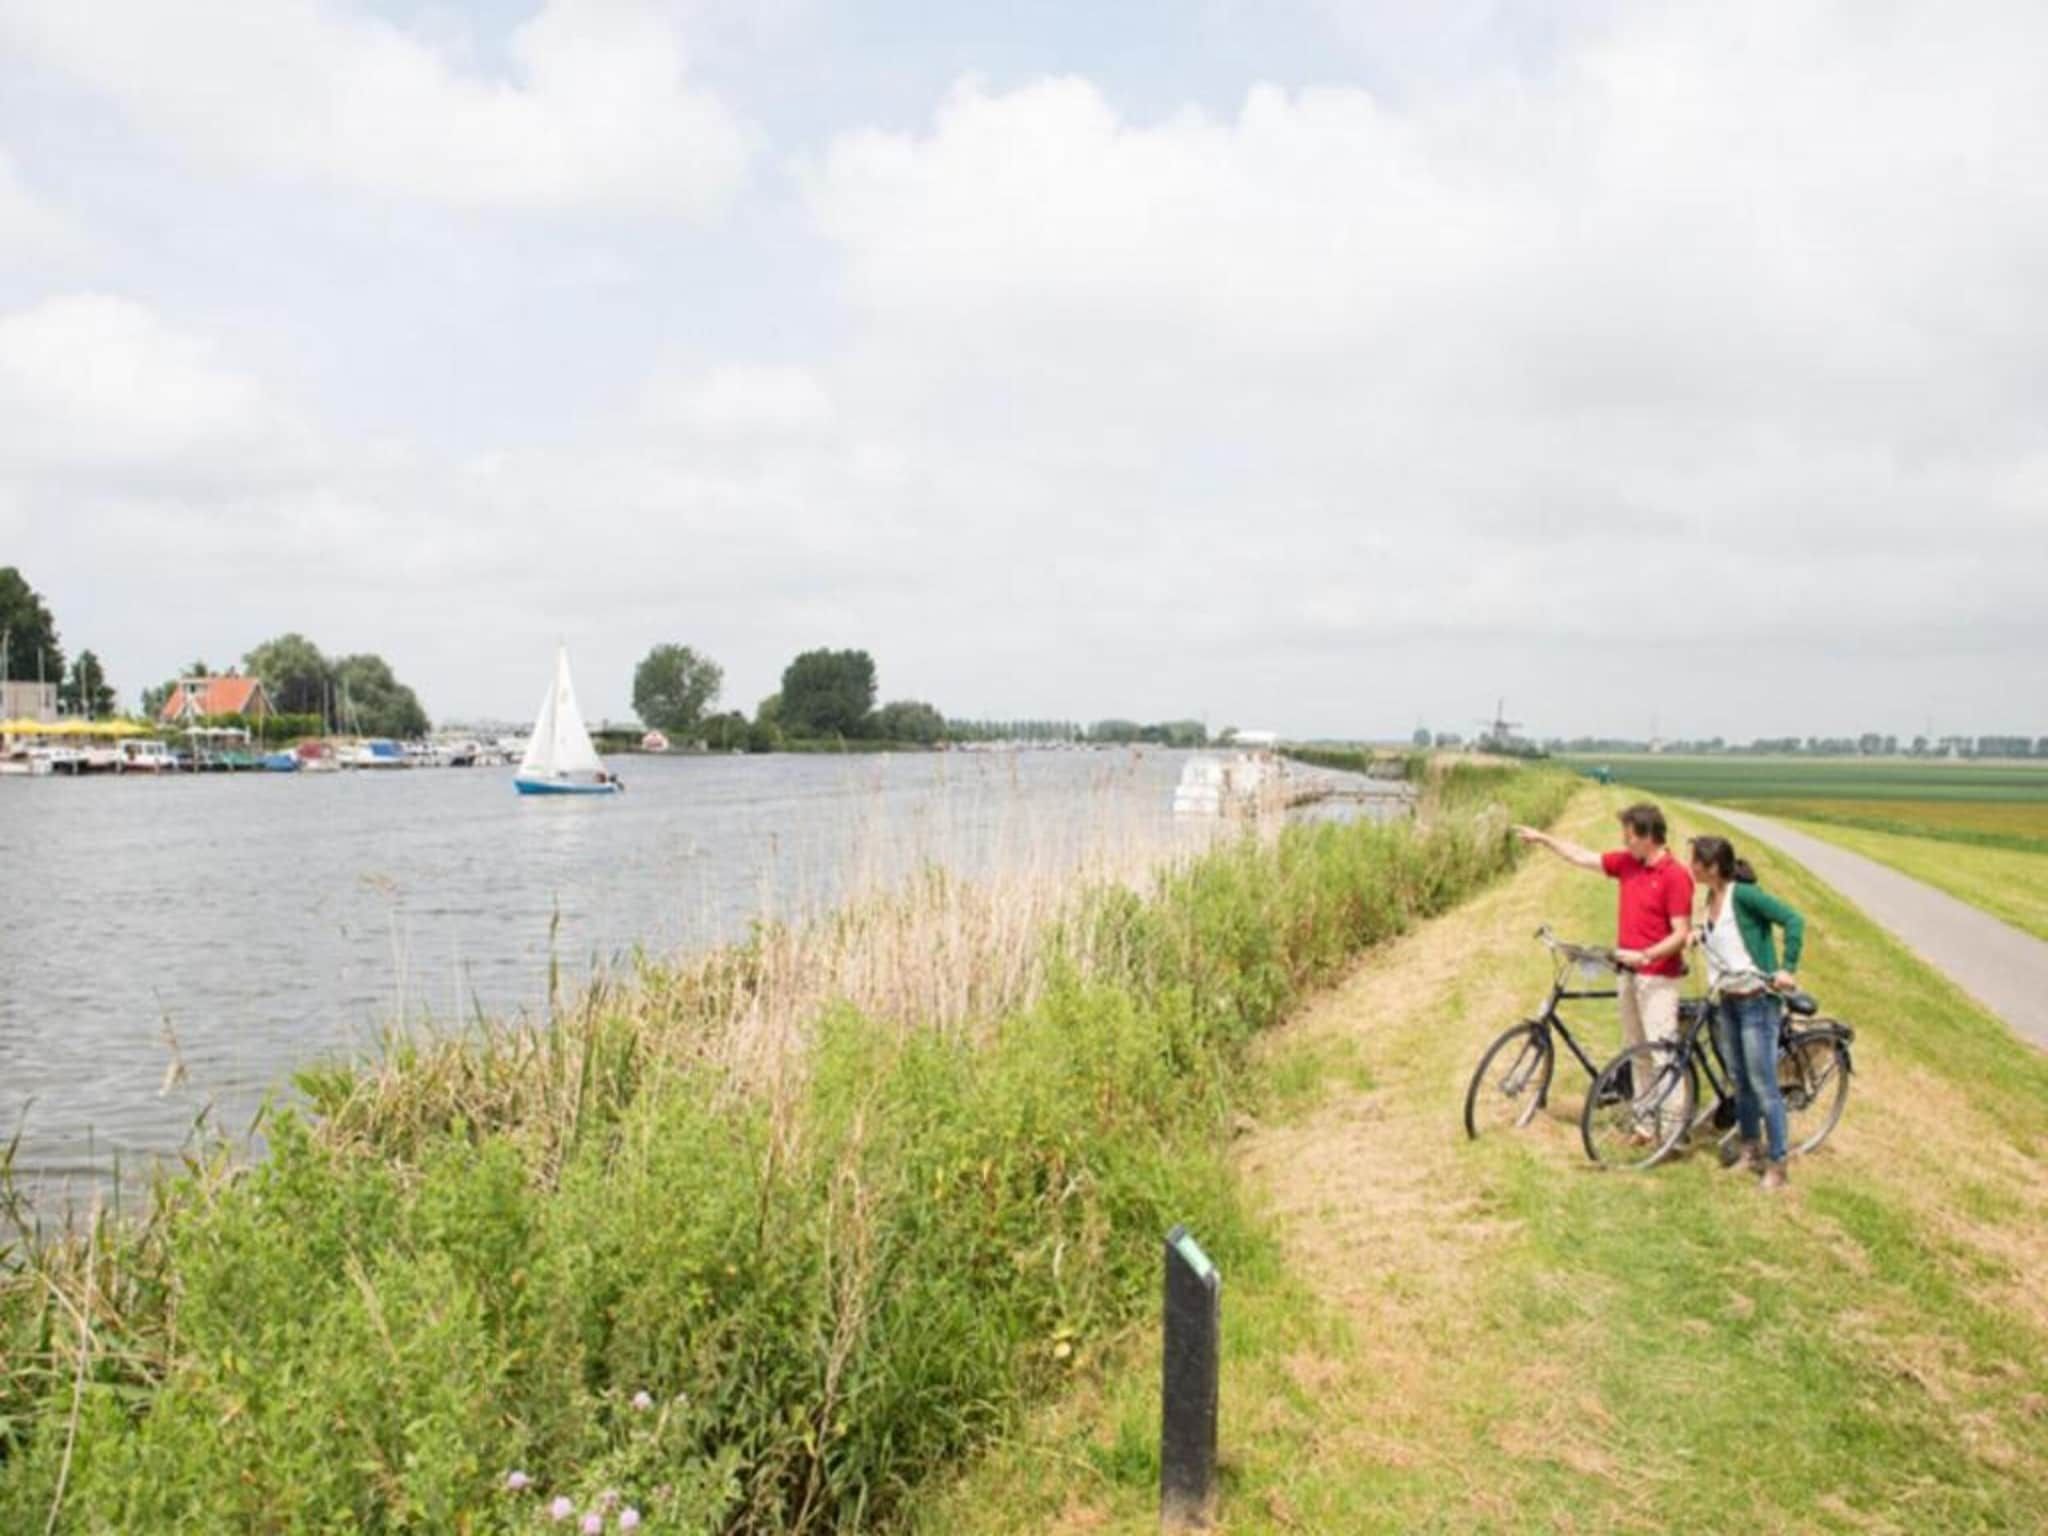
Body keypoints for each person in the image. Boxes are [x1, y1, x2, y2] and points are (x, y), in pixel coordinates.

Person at [1513, 803, 1695, 1071]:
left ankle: (1671, 1101)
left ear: (1648, 837)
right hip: (1627, 973)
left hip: (1657, 978)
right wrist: (1544, 839)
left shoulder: (1674, 875)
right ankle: (1642, 1101)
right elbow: (1581, 856)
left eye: (1629, 836)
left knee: (1662, 1057)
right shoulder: (1628, 863)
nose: (1624, 841)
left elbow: (1681, 934)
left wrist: (1645, 956)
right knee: (1636, 1054)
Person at [1688, 835, 1805, 1190]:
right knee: (1740, 1081)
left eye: (1695, 861)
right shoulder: (1711, 898)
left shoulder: (1744, 895)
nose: (1690, 866)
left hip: (1757, 1002)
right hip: (1729, 1001)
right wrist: (1698, 934)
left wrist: (1787, 967)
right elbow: (1723, 936)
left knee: (1763, 1084)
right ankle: (1750, 1148)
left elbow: (1793, 919)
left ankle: (1778, 1163)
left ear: (1712, 867)